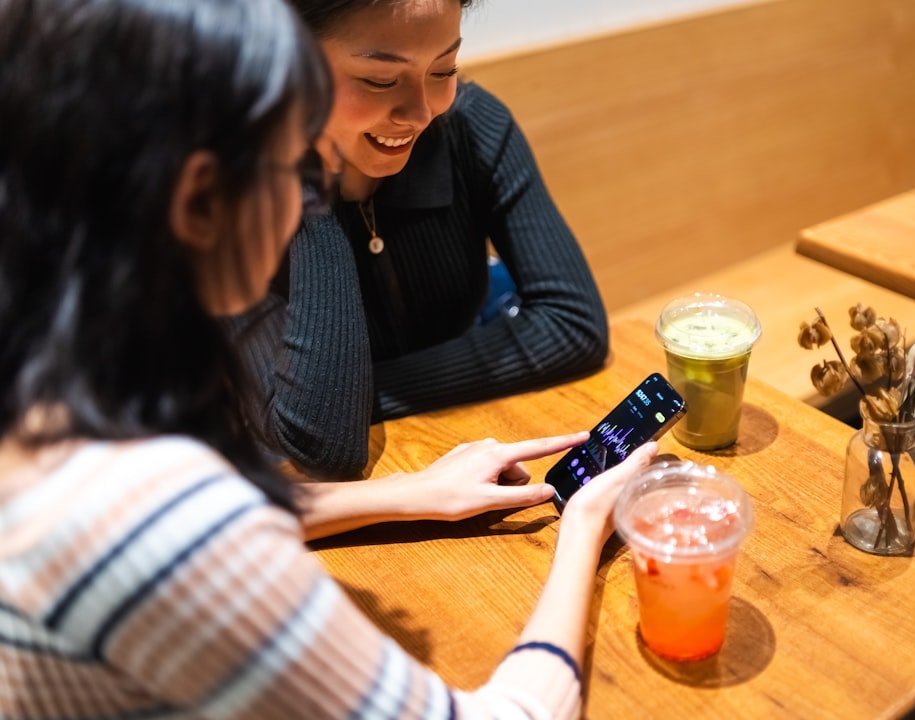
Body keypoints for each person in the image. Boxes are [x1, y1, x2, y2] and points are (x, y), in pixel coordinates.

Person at [0, 0, 657, 716]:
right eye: (297, 166)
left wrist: (398, 494)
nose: (307, 203)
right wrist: (586, 526)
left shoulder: (48, 391)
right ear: (197, 196)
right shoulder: (171, 520)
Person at [223, 0, 609, 477]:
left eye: (443, 70)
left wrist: (361, 391)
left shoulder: (469, 126)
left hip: (449, 455)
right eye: (380, 80)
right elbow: (322, 449)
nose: (421, 113)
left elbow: (574, 326)